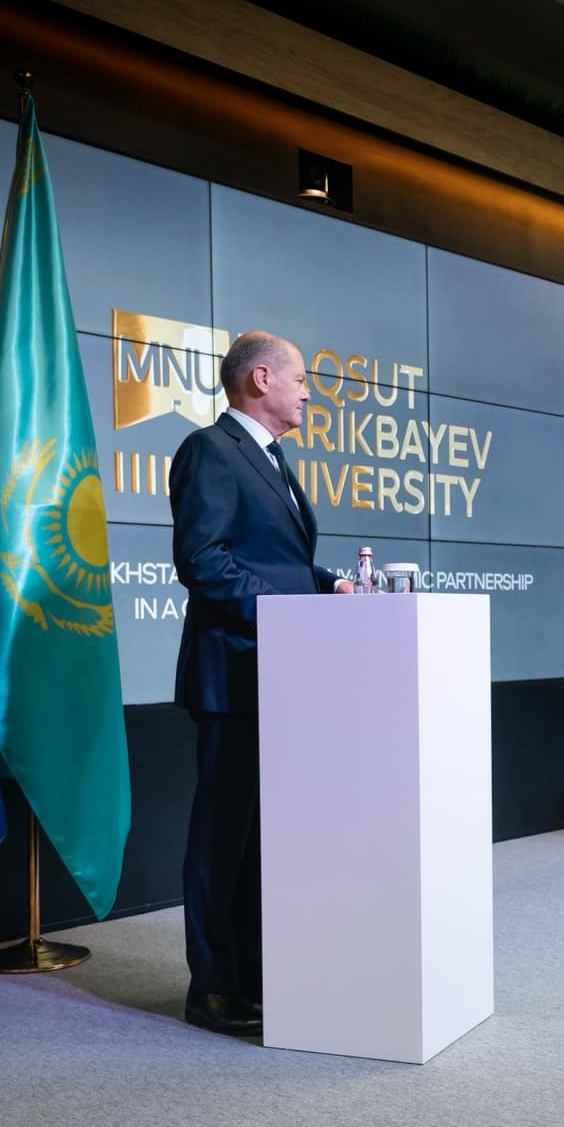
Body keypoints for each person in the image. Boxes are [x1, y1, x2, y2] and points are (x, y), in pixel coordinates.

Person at [170, 331, 356, 1037]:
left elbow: (271, 562)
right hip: (233, 673)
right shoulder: (211, 451)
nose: (309, 391)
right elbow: (204, 561)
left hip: (274, 674)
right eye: (301, 379)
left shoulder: (270, 460)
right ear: (258, 378)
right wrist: (295, 610)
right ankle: (213, 991)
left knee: (260, 842)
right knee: (223, 841)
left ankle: (253, 978)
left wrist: (330, 584)